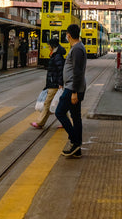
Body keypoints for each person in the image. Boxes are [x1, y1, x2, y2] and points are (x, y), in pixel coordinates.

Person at [55, 23, 87, 158]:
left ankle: (75, 141)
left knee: (59, 112)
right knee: (75, 117)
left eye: (66, 36)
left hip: (73, 88)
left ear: (69, 35)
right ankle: (77, 149)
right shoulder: (76, 48)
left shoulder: (77, 49)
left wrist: (74, 92)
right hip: (72, 87)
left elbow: (77, 72)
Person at [31, 37, 65, 129]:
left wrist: (60, 83)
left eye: (49, 46)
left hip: (54, 84)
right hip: (52, 83)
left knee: (47, 104)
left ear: (53, 46)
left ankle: (40, 123)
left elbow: (61, 71)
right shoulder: (55, 54)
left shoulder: (57, 56)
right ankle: (66, 122)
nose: (48, 47)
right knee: (59, 105)